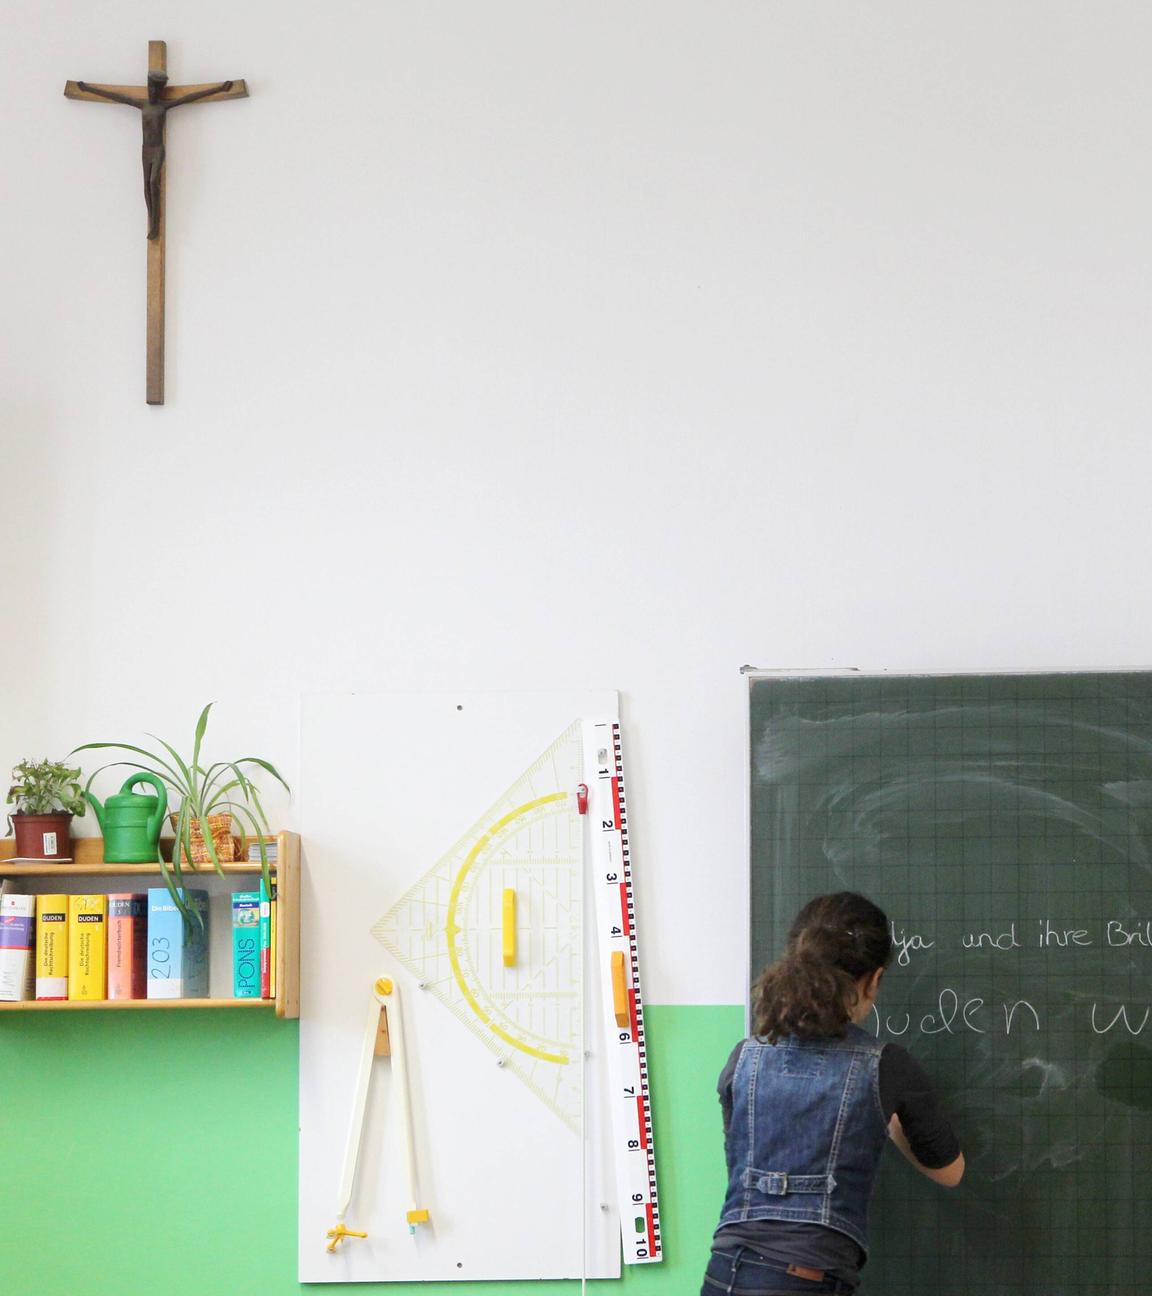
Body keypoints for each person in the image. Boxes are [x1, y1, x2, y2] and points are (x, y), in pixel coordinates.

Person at [703, 892, 963, 1295]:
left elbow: (739, 1160)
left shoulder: (744, 1058)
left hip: (723, 1272)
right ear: (873, 980)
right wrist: (888, 1119)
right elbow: (950, 1171)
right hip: (803, 1280)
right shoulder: (885, 1066)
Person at [76, 72, 234, 239]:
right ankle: (152, 220)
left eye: (155, 90)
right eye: (150, 89)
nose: (152, 93)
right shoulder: (141, 105)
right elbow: (116, 96)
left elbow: (189, 97)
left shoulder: (162, 107)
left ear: (159, 92)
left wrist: (219, 89)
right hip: (146, 150)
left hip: (158, 149)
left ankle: (155, 223)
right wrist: (87, 89)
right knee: (146, 185)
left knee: (153, 182)